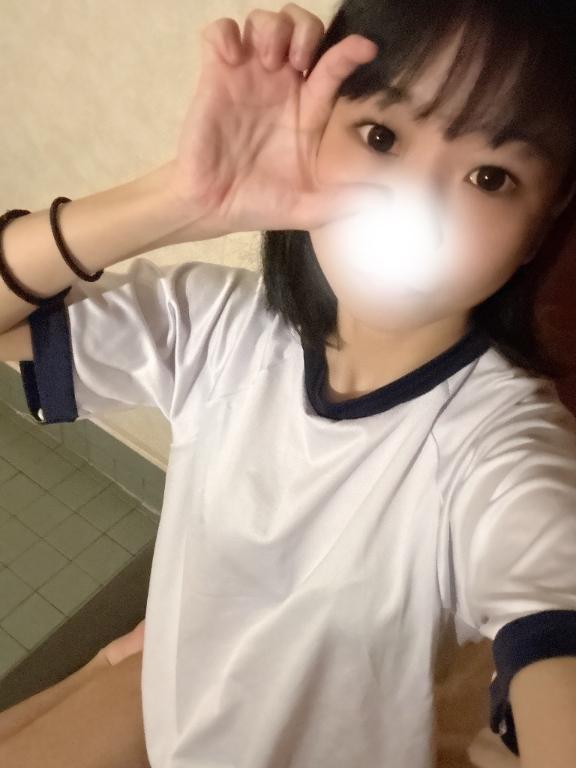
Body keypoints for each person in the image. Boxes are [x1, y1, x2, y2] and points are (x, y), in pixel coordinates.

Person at [0, 1, 576, 766]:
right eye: (381, 136)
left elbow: (552, 620)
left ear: (544, 221)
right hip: (171, 704)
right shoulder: (217, 326)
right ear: (316, 127)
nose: (417, 205)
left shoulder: (500, 448)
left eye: (490, 177)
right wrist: (180, 199)